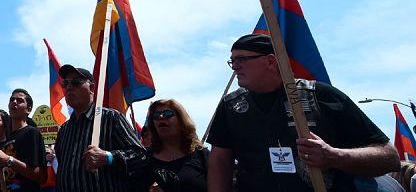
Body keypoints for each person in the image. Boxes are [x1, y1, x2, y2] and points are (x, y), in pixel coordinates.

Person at [207, 33, 401, 192]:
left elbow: (389, 158)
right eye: (232, 60)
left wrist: (335, 156)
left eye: (242, 59)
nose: (235, 66)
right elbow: (220, 161)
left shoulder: (322, 96)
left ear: (270, 61)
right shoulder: (231, 106)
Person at [53, 64, 146, 192]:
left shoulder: (111, 118)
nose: (69, 87)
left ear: (91, 88)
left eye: (75, 82)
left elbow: (141, 156)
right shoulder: (64, 129)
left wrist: (108, 157)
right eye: (65, 83)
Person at [132, 99, 207, 192]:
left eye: (167, 113)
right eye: (156, 115)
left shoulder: (202, 155)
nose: (161, 117)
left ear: (181, 121)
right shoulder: (143, 158)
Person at [0, 89, 46, 192]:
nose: (14, 102)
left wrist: (9, 160)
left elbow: (41, 176)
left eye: (20, 100)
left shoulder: (32, 133)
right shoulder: (8, 138)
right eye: (12, 99)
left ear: (28, 109)